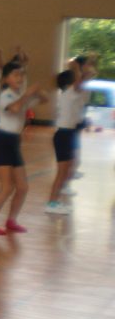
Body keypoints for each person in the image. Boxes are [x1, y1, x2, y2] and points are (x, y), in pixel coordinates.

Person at [0, 62, 45, 235]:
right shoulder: (6, 95)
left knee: (23, 187)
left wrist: (37, 92)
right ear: (6, 78)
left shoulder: (19, 94)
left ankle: (11, 220)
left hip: (14, 143)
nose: (20, 78)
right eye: (16, 75)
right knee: (7, 187)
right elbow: (16, 108)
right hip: (2, 142)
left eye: (22, 75)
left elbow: (44, 100)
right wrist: (28, 94)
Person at [45, 61, 91, 215]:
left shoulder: (71, 94)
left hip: (68, 134)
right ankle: (51, 203)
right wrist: (80, 69)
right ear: (71, 83)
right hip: (63, 135)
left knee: (67, 170)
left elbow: (81, 85)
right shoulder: (69, 93)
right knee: (61, 172)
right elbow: (81, 81)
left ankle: (55, 200)